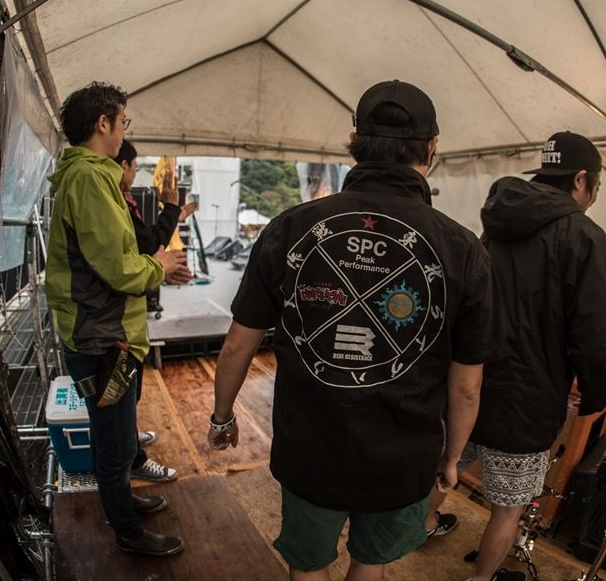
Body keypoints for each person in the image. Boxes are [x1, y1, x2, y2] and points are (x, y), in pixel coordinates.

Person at [208, 80, 502, 581]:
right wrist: (452, 456)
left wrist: (222, 417)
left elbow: (239, 344)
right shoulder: (463, 249)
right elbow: (467, 385)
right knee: (371, 564)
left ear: (353, 142)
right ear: (431, 147)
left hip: (310, 447)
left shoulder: (289, 228)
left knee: (308, 564)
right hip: (403, 455)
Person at [465, 132, 606, 581]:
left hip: (471, 380)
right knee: (508, 508)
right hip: (529, 397)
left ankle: (422, 530)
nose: (593, 198)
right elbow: (593, 334)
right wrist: (597, 393)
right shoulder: (586, 238)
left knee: (446, 469)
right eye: (596, 187)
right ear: (580, 180)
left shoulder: (497, 222)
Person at [44, 81, 190, 557]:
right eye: (123, 121)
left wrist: (154, 268)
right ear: (103, 123)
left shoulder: (89, 177)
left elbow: (116, 257)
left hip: (106, 332)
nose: (124, 130)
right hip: (101, 338)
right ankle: (127, 532)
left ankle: (122, 501)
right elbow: (120, 267)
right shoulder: (89, 179)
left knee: (120, 437)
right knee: (113, 445)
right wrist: (159, 266)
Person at [112, 139, 194, 483]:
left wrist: (161, 271)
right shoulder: (111, 202)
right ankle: (131, 462)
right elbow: (147, 246)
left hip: (125, 323)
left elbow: (139, 256)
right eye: (134, 167)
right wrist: (172, 209)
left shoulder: (120, 200)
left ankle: (130, 441)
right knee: (118, 407)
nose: (134, 174)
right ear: (124, 166)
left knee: (128, 398)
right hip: (114, 328)